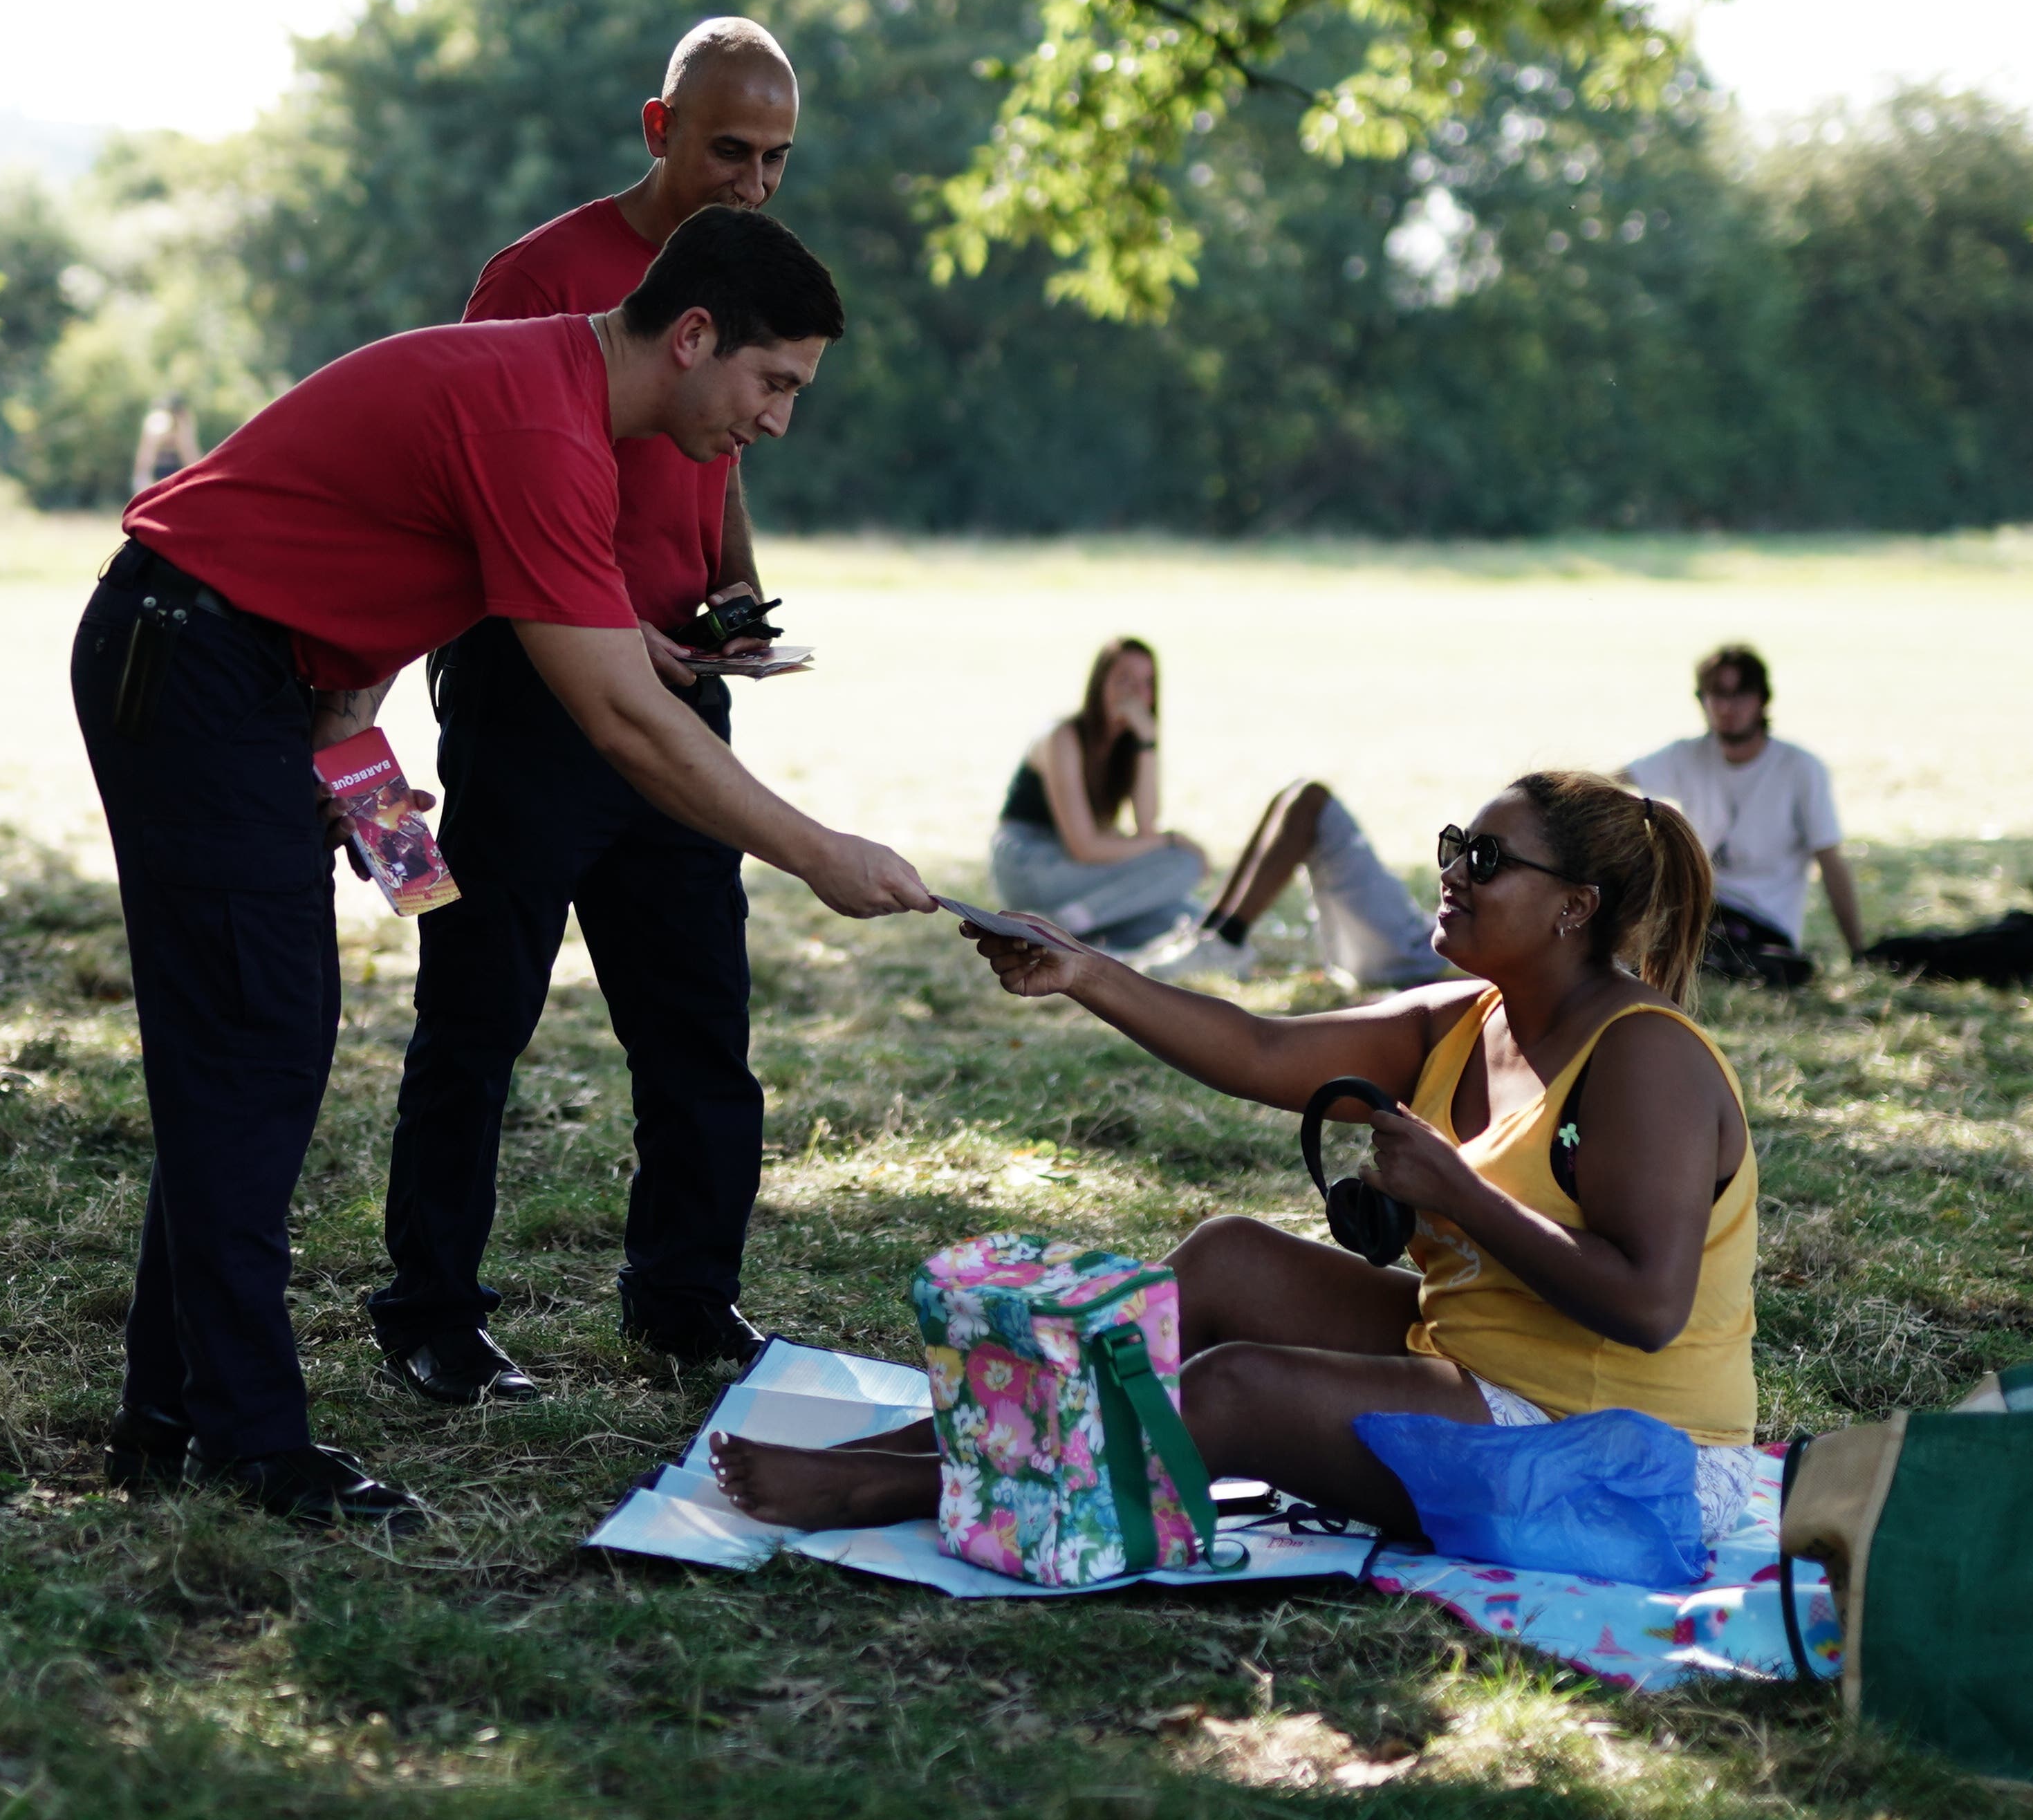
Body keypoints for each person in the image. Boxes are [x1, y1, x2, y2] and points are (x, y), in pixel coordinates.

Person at [76, 206, 933, 1530]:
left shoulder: (558, 404)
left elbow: (378, 554)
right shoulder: (541, 422)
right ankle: (252, 1445)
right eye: (773, 383)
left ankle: (170, 1414)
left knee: (252, 1046)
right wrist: (822, 853)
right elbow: (624, 725)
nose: (774, 423)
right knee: (250, 1047)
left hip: (242, 674)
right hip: (186, 660)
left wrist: (346, 751)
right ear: (694, 335)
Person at [707, 770, 1764, 1545]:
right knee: (1226, 1260)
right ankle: (922, 1451)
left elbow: (1646, 1306)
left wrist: (1453, 1193)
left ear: (1575, 908)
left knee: (1235, 1392)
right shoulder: (1464, 1016)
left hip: (1623, 1458)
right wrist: (1085, 973)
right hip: (1485, 1365)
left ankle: (886, 1493)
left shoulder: (1642, 1061)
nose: (1449, 872)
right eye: (1451, 843)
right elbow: (1261, 1049)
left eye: (1484, 860)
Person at [372, 17, 808, 1393]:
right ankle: (432, 1313)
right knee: (478, 1011)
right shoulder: (543, 276)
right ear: (656, 128)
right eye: (727, 149)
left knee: (700, 1020)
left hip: (681, 691)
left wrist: (734, 590)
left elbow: (716, 446)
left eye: (777, 158)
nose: (751, 180)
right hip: (532, 697)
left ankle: (685, 1300)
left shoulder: (739, 281)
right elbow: (480, 479)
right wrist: (605, 634)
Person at [1624, 644, 1862, 988]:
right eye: (1716, 694)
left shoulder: (1800, 769)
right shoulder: (1687, 754)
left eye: (1739, 695)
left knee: (1706, 953)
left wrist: (1856, 948)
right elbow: (1612, 782)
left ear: (1762, 700)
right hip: (1699, 910)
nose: (1725, 707)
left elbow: (1830, 860)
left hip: (1763, 924)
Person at [988, 637, 1207, 951]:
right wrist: (1170, 841)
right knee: (1183, 862)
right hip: (1032, 863)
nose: (1136, 694)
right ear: (1099, 685)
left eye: (1147, 683)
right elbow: (1085, 848)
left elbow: (1145, 825)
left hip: (1074, 873)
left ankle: (1078, 931)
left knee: (1187, 916)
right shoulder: (1063, 737)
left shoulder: (1127, 745)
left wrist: (1146, 740)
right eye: (1124, 680)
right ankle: (1061, 928)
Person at [1130, 779, 1445, 991]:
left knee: (1311, 800)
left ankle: (1226, 942)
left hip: (1416, 953)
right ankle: (1208, 934)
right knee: (1292, 795)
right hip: (1422, 939)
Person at [130, 393, 202, 493]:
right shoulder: (155, 429)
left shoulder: (184, 432)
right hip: (155, 488)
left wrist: (185, 437)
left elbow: (196, 470)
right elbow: (142, 471)